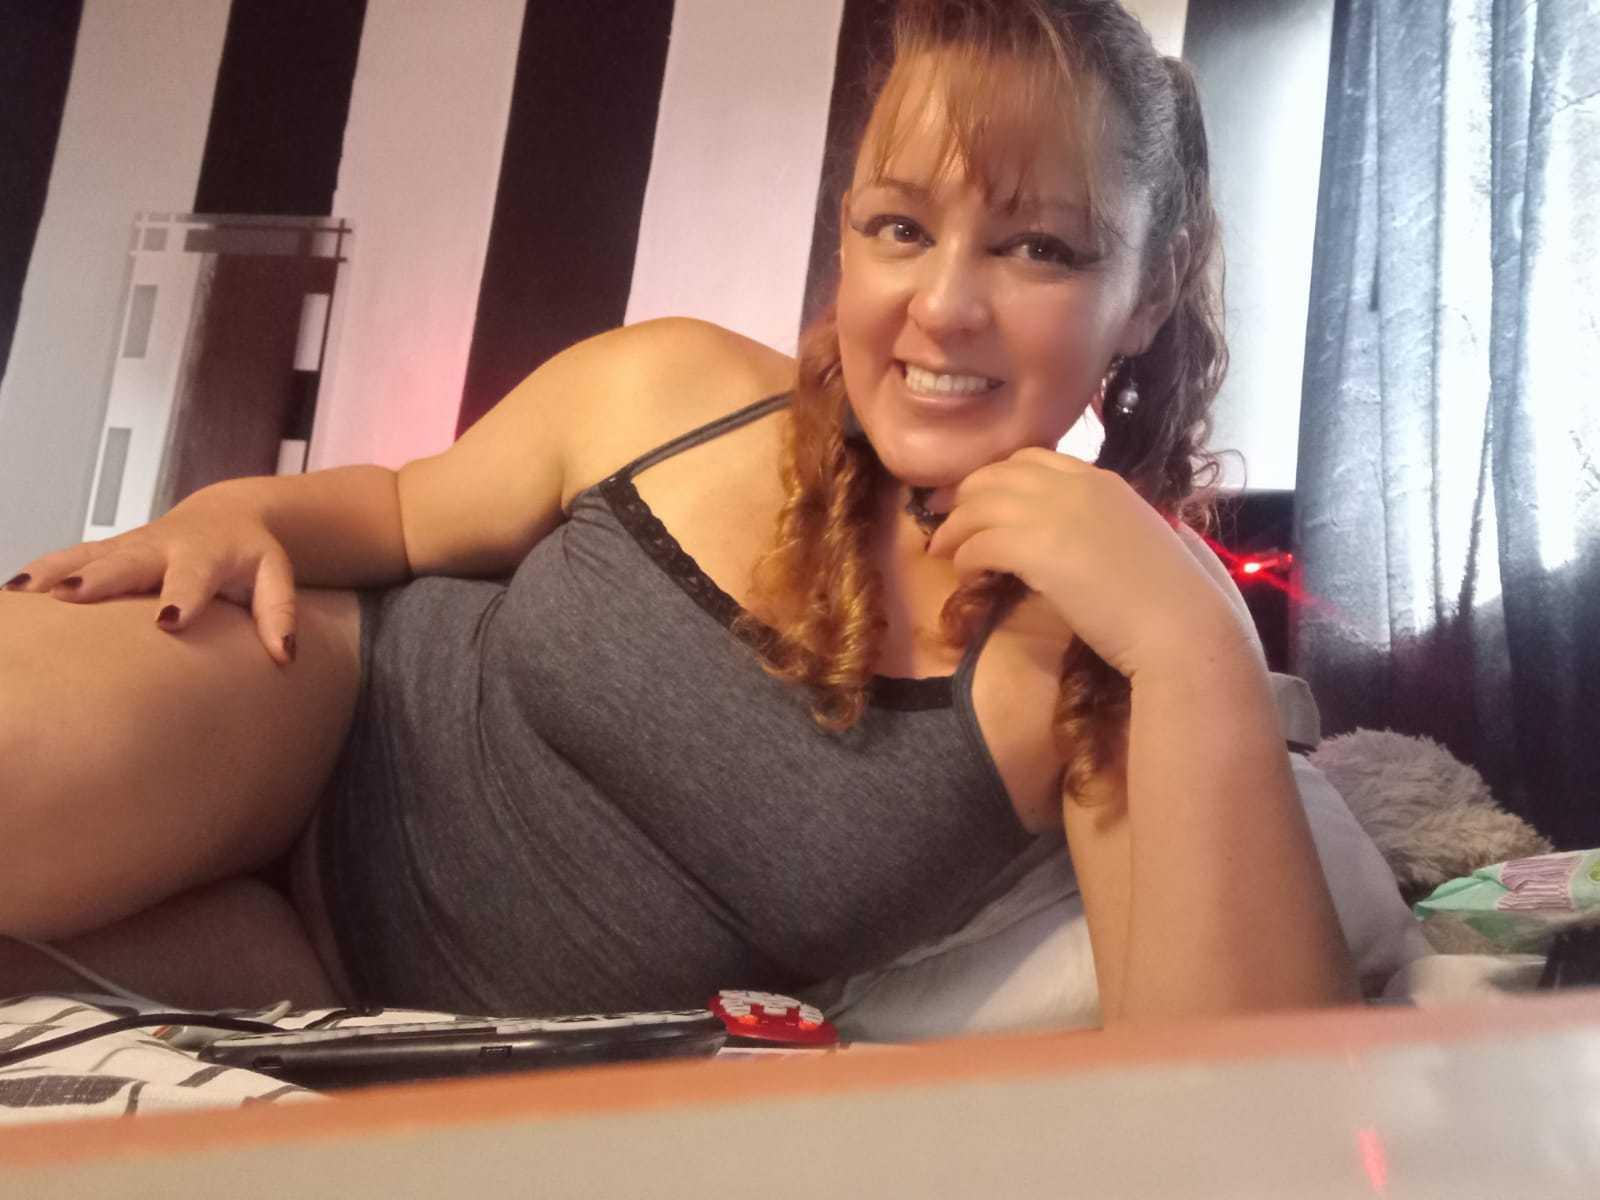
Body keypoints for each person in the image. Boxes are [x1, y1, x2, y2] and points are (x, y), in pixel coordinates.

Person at [0, 0, 1358, 1023]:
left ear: (1150, 291)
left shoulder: (1098, 660)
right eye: (899, 227)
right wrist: (242, 511)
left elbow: (1239, 1113)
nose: (944, 305)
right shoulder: (677, 384)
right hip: (301, 709)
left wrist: (1196, 647)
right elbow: (405, 513)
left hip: (340, 994)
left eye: (1039, 248)